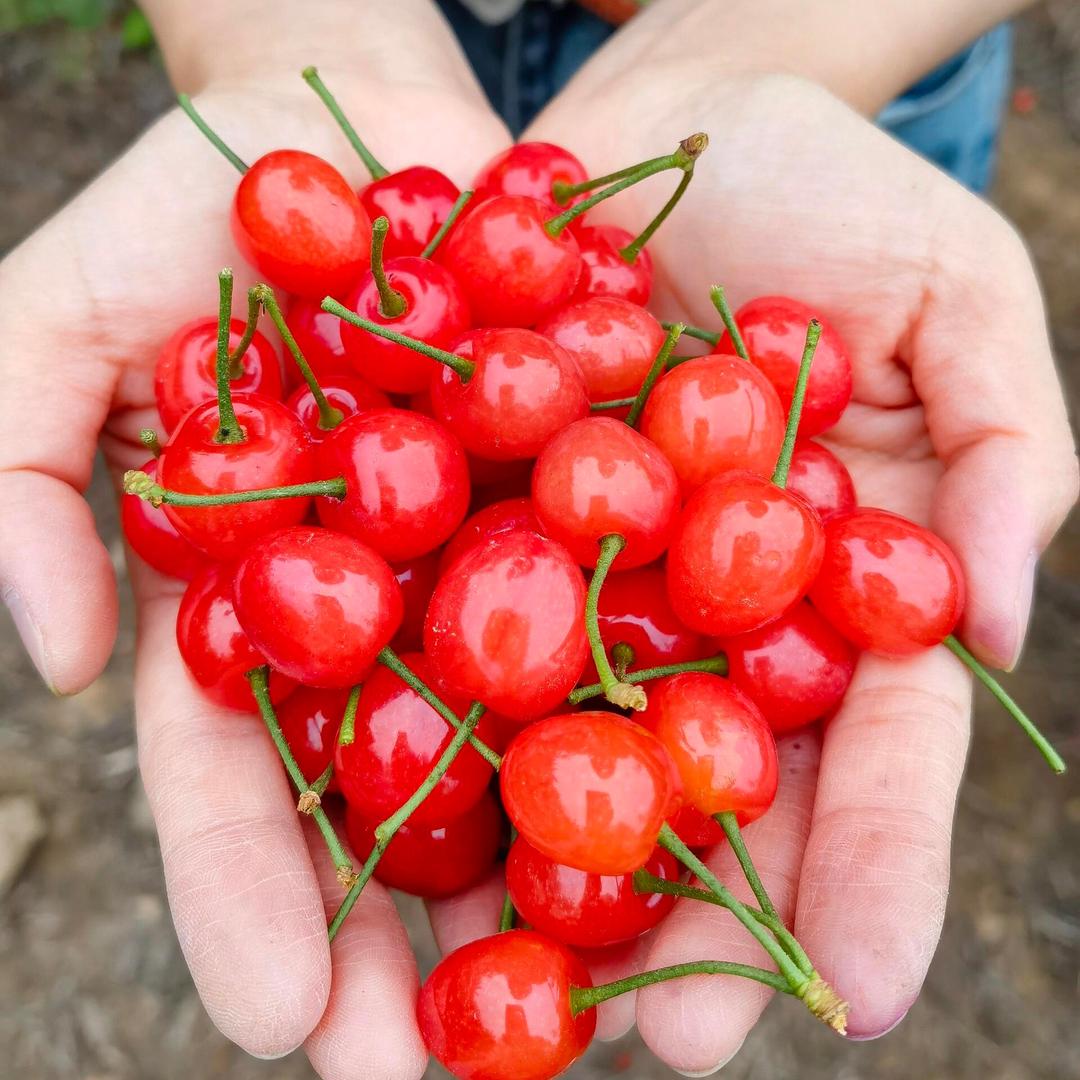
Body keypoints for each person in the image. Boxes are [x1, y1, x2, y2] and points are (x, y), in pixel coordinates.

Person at [0, 1, 1074, 1077]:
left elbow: (661, 582)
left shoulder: (677, 532)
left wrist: (766, 43)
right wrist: (270, 32)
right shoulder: (382, 444)